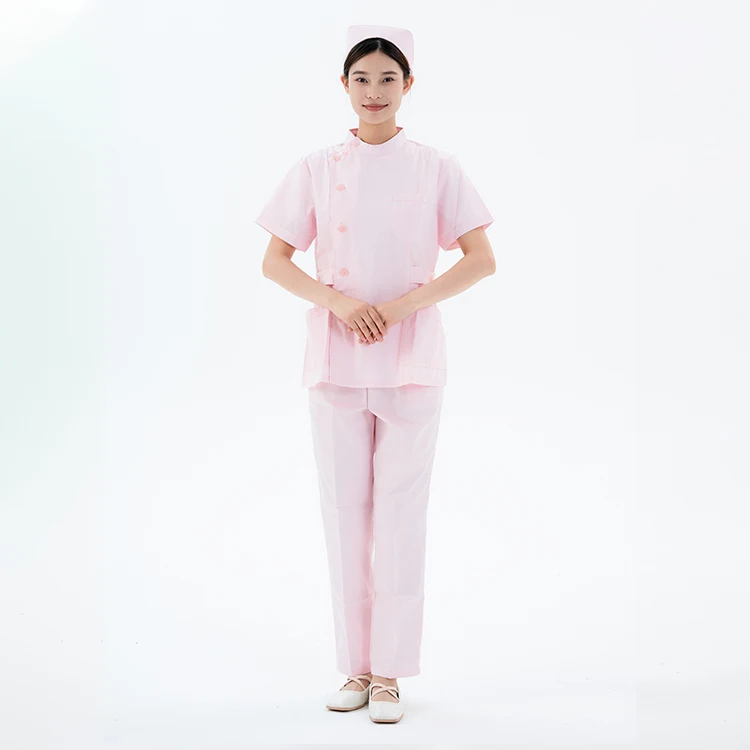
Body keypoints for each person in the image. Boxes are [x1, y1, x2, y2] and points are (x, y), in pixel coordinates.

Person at [255, 24, 496, 724]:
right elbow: (275, 261)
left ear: (408, 85)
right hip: (335, 360)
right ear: (344, 85)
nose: (374, 91)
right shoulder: (315, 167)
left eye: (388, 79)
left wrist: (399, 308)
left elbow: (481, 260)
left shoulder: (437, 167)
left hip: (411, 361)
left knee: (399, 516)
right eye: (361, 78)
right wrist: (340, 304)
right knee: (343, 513)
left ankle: (389, 673)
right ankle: (354, 667)